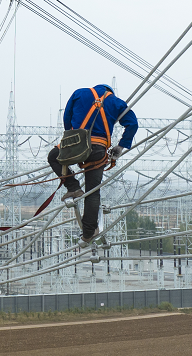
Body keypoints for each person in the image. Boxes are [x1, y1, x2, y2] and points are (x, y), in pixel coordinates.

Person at [51, 84, 138, 243]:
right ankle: (88, 233)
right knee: (92, 191)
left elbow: (67, 117)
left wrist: (70, 140)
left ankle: (73, 187)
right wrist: (120, 146)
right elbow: (132, 124)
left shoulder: (79, 93)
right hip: (98, 149)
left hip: (76, 143)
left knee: (53, 157)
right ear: (109, 92)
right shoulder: (115, 102)